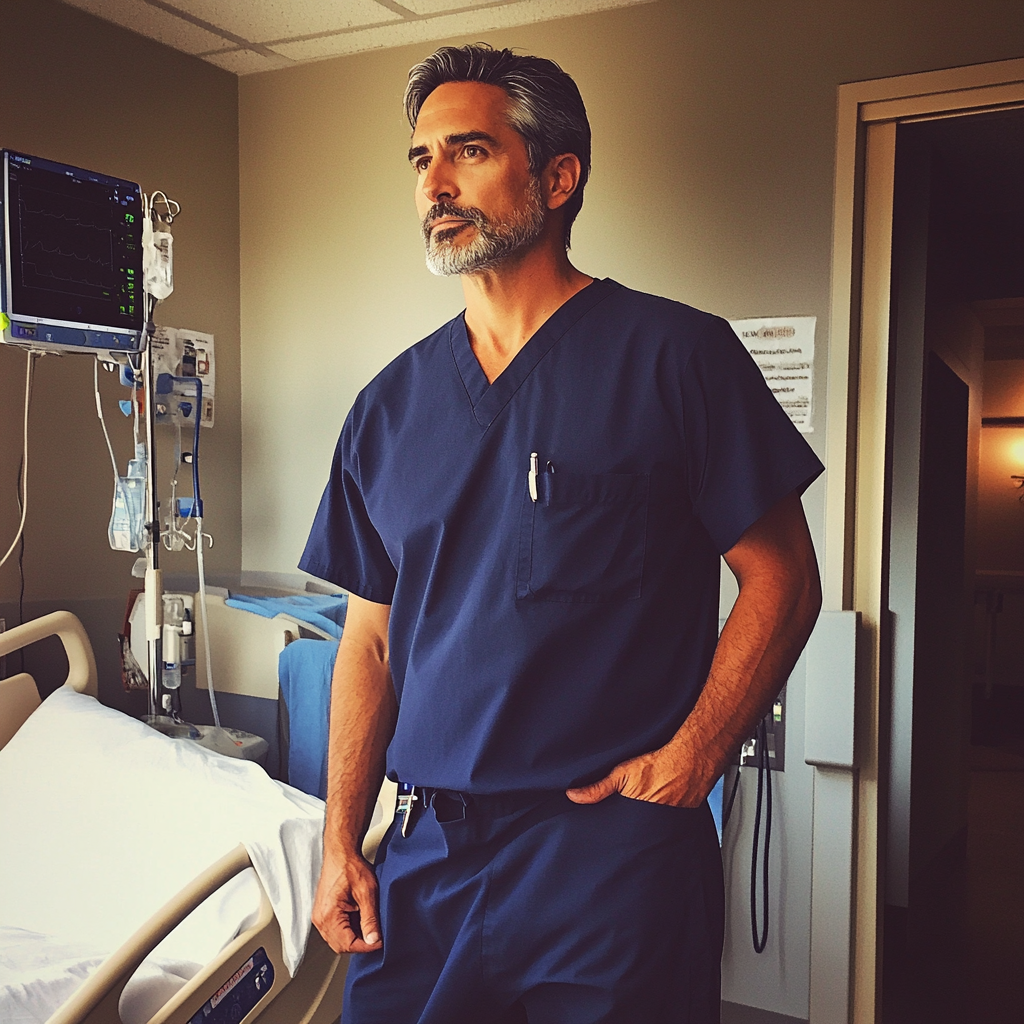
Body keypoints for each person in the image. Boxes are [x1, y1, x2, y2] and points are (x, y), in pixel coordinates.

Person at [301, 43, 823, 1024]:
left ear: (557, 175)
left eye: (468, 150)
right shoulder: (387, 408)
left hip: (607, 860)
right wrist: (340, 840)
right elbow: (367, 642)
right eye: (420, 159)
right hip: (425, 856)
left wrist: (695, 756)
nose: (437, 182)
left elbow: (783, 579)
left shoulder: (676, 357)